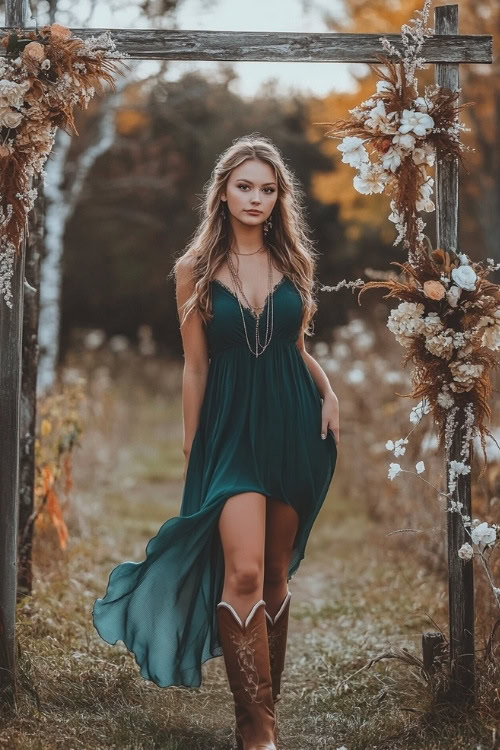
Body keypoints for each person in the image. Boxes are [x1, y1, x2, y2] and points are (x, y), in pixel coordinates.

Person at [92, 133, 339, 750]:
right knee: (246, 570)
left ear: (279, 198)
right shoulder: (193, 271)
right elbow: (195, 366)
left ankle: (268, 713)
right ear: (223, 192)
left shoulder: (295, 263)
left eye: (268, 189)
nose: (256, 198)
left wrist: (329, 392)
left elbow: (297, 349)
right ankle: (254, 729)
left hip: (294, 422)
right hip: (229, 431)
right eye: (244, 186)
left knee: (277, 570)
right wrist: (192, 442)